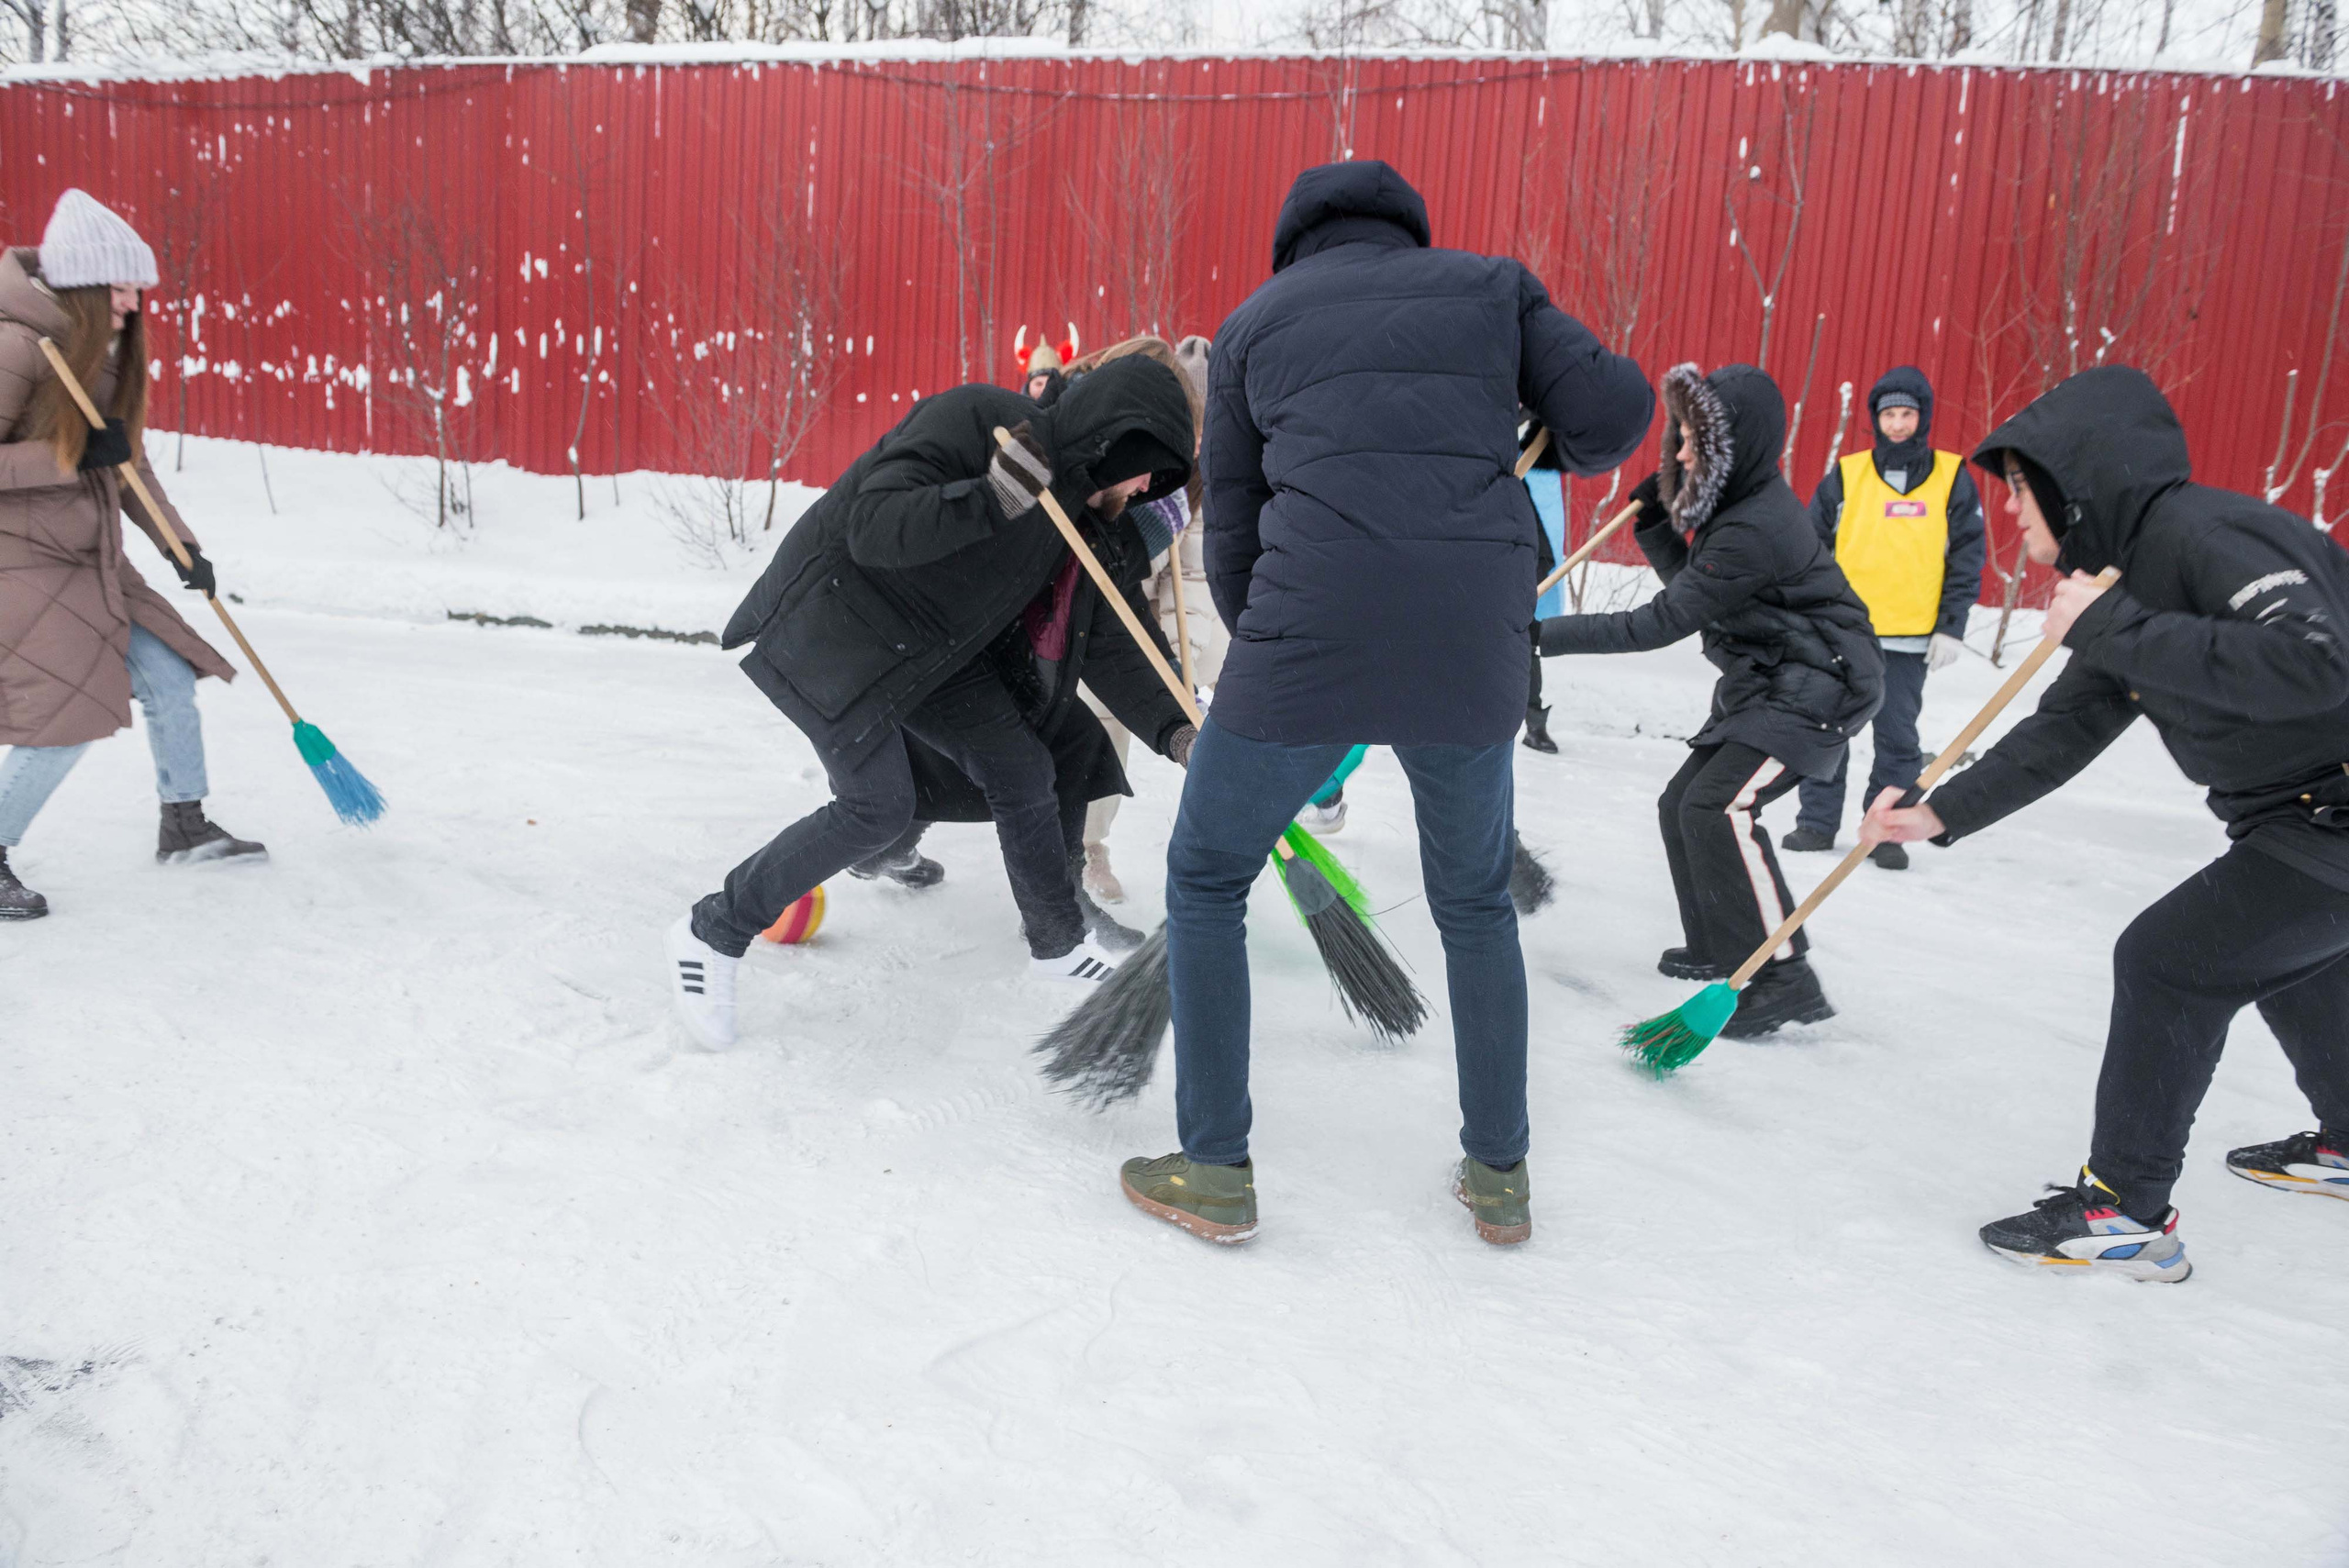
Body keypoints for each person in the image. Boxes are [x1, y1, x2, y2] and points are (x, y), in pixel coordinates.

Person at [1117, 160, 1653, 1248]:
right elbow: (1609, 421)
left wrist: (1271, 644)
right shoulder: (1494, 290)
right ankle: (1499, 1173)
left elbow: (1232, 528)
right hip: (1469, 644)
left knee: (1206, 873)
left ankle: (1215, 1168)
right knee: (1473, 904)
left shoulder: (1257, 322)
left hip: (1309, 631)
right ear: (1407, 229)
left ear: (1294, 241)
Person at [1863, 365, 2349, 1282]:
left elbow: (2312, 660)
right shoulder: (2123, 580)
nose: (2010, 511)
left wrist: (2116, 626)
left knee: (2169, 959)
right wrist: (1936, 811)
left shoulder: (2206, 534)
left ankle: (2124, 1209)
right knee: (2282, 958)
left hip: (2328, 818)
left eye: (2017, 487)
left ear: (2072, 477)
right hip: (2302, 825)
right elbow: (2067, 727)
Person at [665, 353, 1197, 1049]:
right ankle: (711, 931)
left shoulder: (1080, 517)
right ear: (1117, 439)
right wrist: (991, 498)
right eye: (1146, 467)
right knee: (878, 805)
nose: (1144, 486)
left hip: (937, 654)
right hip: (843, 622)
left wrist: (1179, 730)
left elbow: (1116, 639)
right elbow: (872, 525)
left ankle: (1058, 946)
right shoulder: (983, 421)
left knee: (1024, 765)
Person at [1538, 364, 1884, 1036]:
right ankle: (1718, 945)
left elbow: (1658, 622)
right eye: (1683, 438)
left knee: (1722, 803)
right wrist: (1659, 530)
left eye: (1697, 441)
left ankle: (1783, 974)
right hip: (1770, 679)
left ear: (1736, 448)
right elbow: (1707, 596)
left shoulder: (1753, 527)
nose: (1684, 453)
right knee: (1683, 804)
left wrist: (1532, 637)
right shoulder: (1737, 513)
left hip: (1819, 685)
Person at [0, 190, 262, 920]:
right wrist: (70, 453)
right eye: (119, 289)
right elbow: (80, 457)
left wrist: (180, 546)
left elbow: (126, 466)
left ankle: (185, 824)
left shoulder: (96, 354)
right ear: (82, 285)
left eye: (135, 289)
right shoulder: (15, 346)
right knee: (66, 718)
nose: (131, 303)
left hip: (96, 562)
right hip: (25, 567)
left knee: (171, 679)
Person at [1786, 366, 1987, 867]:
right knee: (1830, 731)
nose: (1898, 424)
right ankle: (1815, 822)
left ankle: (1888, 831)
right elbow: (1812, 548)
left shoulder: (1950, 475)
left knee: (1897, 738)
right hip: (1844, 632)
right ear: (1876, 419)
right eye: (1889, 414)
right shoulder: (1848, 474)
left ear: (1923, 418)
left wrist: (1951, 626)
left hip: (1910, 638)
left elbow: (1967, 553)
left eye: (1907, 414)